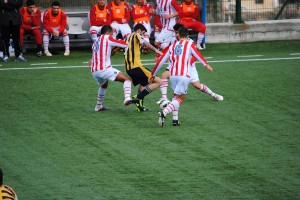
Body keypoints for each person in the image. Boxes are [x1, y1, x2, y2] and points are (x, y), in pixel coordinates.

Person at [151, 27, 213, 127]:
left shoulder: (172, 46)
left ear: (178, 35)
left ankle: (175, 119)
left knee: (176, 96)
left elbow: (161, 60)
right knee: (181, 98)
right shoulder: (190, 44)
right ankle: (164, 112)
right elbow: (197, 55)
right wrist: (206, 65)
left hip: (173, 75)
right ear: (188, 36)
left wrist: (153, 74)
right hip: (183, 74)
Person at [157, 23, 223, 103]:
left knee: (196, 85)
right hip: (175, 66)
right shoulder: (173, 41)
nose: (176, 34)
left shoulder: (190, 42)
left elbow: (196, 55)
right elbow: (167, 48)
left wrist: (188, 62)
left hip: (189, 67)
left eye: (178, 32)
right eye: (175, 32)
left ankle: (213, 94)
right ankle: (164, 99)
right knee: (164, 75)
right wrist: (158, 55)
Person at [90, 25, 139, 111]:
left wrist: (113, 50)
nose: (113, 35)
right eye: (112, 33)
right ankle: (127, 98)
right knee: (127, 79)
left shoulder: (96, 41)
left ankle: (98, 106)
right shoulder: (107, 38)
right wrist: (121, 41)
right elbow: (125, 44)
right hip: (104, 69)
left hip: (94, 70)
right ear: (108, 32)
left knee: (104, 85)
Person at [124, 23, 162, 112]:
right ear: (139, 30)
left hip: (129, 68)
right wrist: (156, 50)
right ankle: (138, 97)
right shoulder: (136, 35)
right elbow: (144, 42)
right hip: (136, 66)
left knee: (143, 83)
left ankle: (139, 106)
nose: (142, 35)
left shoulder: (127, 38)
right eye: (143, 33)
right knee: (159, 81)